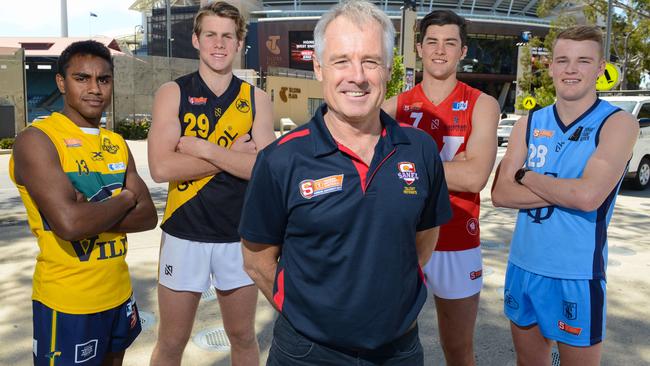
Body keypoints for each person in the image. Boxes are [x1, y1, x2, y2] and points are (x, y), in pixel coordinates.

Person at [239, 1, 452, 364]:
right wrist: (315, 315)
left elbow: (423, 242)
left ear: (387, 69)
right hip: (307, 352)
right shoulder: (280, 159)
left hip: (398, 350)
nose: (357, 76)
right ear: (319, 68)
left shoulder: (420, 151)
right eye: (342, 61)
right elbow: (257, 260)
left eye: (370, 61)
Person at [492, 25, 638, 365]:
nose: (571, 69)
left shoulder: (618, 124)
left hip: (576, 274)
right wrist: (566, 188)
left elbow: (588, 197)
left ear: (600, 68)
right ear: (552, 67)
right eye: (563, 60)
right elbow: (500, 193)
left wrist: (526, 175)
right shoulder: (527, 124)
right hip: (522, 267)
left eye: (583, 60)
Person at [10, 40, 157, 366]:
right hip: (67, 303)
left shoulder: (116, 143)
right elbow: (70, 225)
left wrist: (89, 208)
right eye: (82, 78)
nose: (95, 89)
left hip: (118, 293)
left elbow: (148, 217)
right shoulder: (37, 139)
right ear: (61, 82)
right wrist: (125, 198)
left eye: (103, 79)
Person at [147, 2, 275, 365]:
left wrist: (206, 150)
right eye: (210, 35)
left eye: (227, 36)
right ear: (196, 40)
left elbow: (264, 171)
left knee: (243, 337)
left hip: (239, 235)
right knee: (171, 341)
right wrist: (232, 155)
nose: (219, 44)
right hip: (184, 231)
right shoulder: (173, 92)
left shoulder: (257, 99)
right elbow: (161, 167)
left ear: (239, 44)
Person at [383, 10, 499, 366]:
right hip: (402, 239)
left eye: (450, 42)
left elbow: (475, 178)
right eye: (432, 41)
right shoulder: (391, 108)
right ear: (418, 47)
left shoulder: (484, 105)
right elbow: (377, 173)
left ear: (463, 51)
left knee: (459, 349)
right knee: (392, 347)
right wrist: (454, 165)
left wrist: (409, 168)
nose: (439, 50)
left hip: (457, 240)